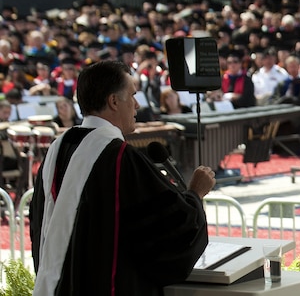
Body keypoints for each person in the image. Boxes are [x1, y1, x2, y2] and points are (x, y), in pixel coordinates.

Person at [30, 60, 216, 295]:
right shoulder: (119, 157)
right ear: (114, 101)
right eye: (132, 95)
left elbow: (40, 228)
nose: (137, 105)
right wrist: (195, 194)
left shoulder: (57, 149)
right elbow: (170, 232)